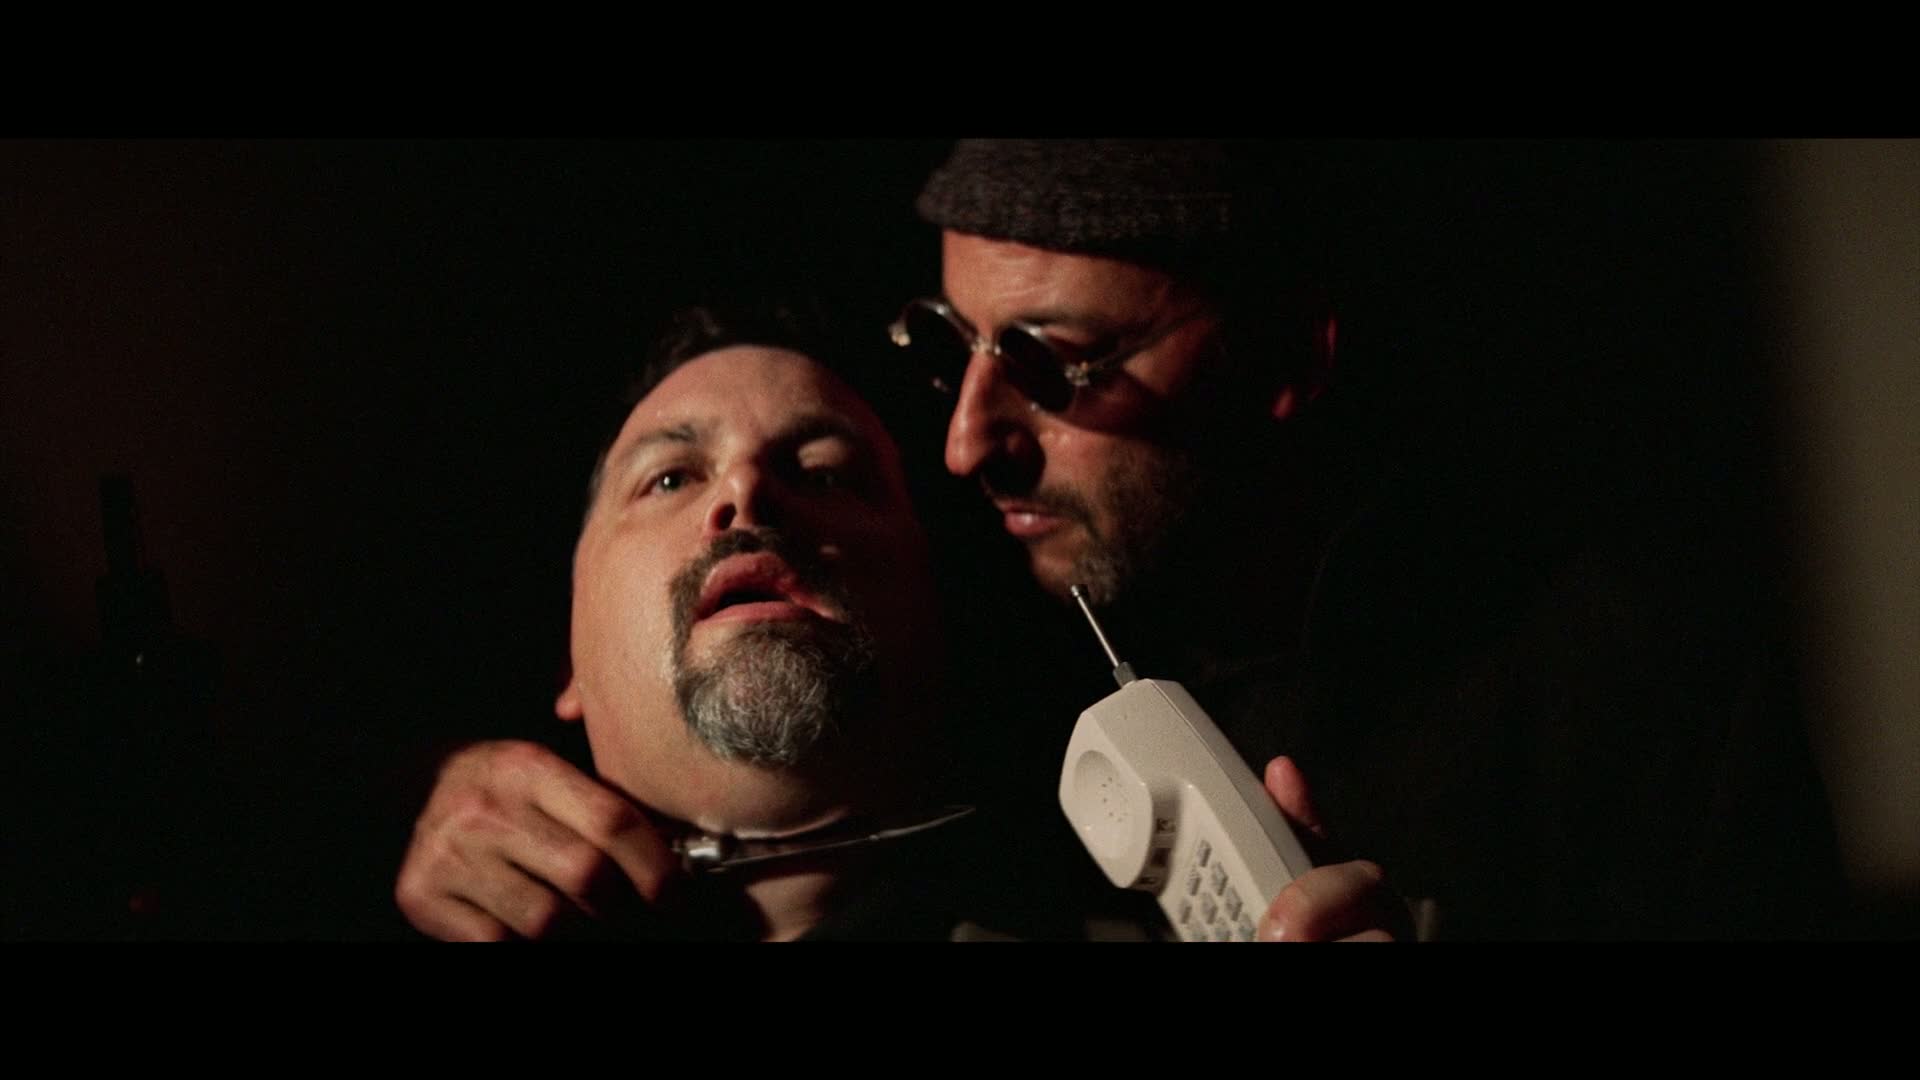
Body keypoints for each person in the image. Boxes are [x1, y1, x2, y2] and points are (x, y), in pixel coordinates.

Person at [401, 140, 1846, 940]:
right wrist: (451, 799)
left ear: (1285, 362)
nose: (969, 442)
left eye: (1059, 364)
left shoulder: (1632, 688)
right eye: (949, 346)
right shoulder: (989, 585)